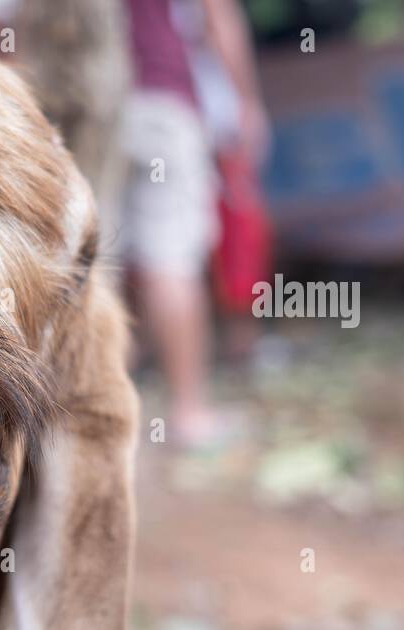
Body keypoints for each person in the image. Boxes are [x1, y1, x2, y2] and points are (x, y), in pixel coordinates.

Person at [121, 0, 268, 449]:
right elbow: (218, 15)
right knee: (172, 261)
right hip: (161, 101)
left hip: (90, 112)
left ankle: (99, 421)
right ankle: (189, 413)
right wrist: (246, 101)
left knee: (96, 264)